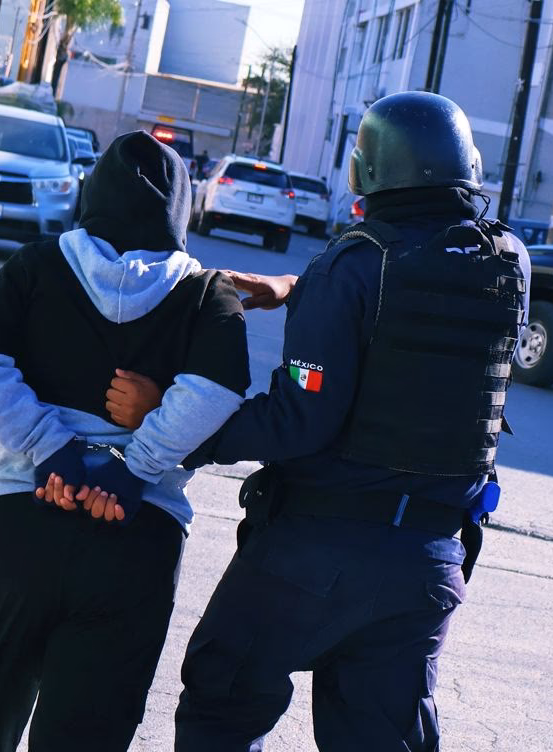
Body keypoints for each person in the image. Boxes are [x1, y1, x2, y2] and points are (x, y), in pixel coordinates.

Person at [110, 91, 529, 750]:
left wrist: (176, 423)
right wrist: (301, 287)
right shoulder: (507, 261)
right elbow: (414, 305)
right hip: (430, 560)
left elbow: (297, 423)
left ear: (366, 171)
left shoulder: (355, 265)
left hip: (319, 552)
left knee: (223, 702)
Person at [0, 132, 255, 751]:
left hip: (17, 521)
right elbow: (217, 390)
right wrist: (133, 471)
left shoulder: (37, 264)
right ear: (181, 213)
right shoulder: (206, 292)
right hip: (136, 538)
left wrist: (53, 451)